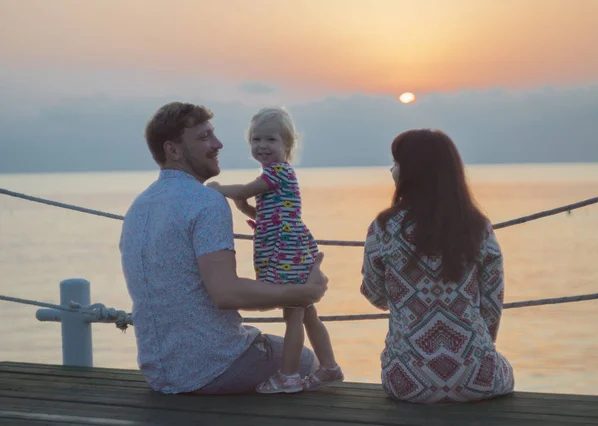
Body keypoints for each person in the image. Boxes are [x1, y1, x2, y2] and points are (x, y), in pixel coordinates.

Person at [119, 102, 329, 395]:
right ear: (174, 150)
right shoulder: (207, 201)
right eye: (204, 137)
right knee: (311, 364)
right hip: (215, 366)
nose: (218, 144)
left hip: (162, 373)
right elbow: (226, 293)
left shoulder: (139, 206)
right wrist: (305, 292)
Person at [360, 129, 514, 403]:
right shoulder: (477, 226)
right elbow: (492, 301)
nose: (391, 169)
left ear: (411, 172)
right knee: (505, 368)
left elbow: (374, 294)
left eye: (396, 163)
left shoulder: (383, 227)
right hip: (478, 377)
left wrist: (405, 303)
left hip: (407, 381)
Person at [207, 106, 343, 393]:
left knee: (293, 314)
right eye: (256, 140)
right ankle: (329, 367)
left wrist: (217, 189)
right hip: (288, 250)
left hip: (288, 253)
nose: (262, 146)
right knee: (306, 313)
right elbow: (271, 214)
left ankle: (289, 375)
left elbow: (245, 188)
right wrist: (245, 207)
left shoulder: (279, 172)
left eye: (270, 139)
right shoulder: (272, 177)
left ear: (287, 145)